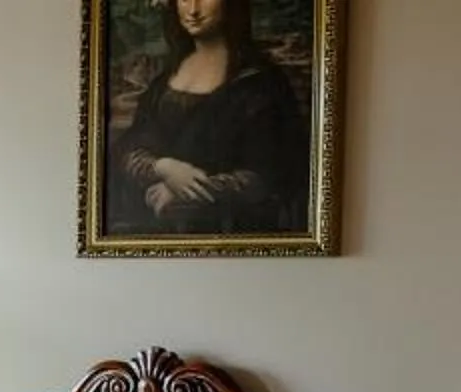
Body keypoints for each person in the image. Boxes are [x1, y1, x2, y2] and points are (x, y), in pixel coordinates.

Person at [108, 0, 310, 237]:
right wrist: (163, 168)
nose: (193, 10)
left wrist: (187, 192)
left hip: (232, 236)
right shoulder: (164, 80)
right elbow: (131, 146)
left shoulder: (261, 83)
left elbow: (272, 174)